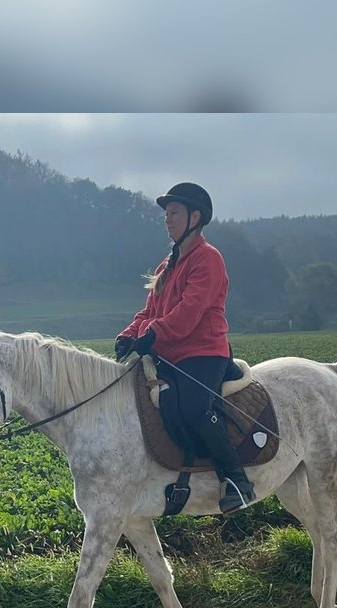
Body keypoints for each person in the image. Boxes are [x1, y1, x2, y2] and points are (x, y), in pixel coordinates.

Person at [115, 182, 256, 514]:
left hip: (204, 352)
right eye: (166, 214)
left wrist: (153, 334)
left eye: (174, 213)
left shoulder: (208, 259)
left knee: (194, 408)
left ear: (196, 217)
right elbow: (150, 311)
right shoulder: (168, 265)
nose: (168, 219)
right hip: (171, 353)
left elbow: (188, 313)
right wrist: (130, 333)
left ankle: (236, 479)